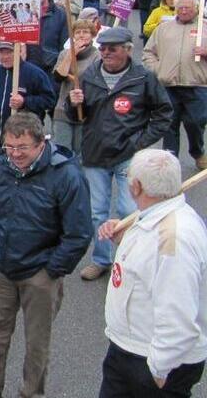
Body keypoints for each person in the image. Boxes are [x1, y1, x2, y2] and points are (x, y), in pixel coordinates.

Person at [0, 113, 93, 398]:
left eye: (23, 148)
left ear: (41, 143)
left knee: (37, 343)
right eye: (9, 147)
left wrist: (52, 270)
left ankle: (31, 393)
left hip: (41, 273)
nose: (15, 154)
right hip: (3, 267)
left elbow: (79, 233)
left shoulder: (66, 175)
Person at [97, 149, 207, 397]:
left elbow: (178, 316)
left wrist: (158, 370)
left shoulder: (174, 238)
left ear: (135, 186)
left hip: (153, 361)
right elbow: (148, 264)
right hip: (128, 349)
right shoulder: (155, 216)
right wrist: (127, 237)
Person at [66, 26, 173, 281]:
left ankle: (128, 259)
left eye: (112, 48)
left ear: (127, 49)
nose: (105, 52)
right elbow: (77, 118)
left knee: (128, 210)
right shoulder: (88, 75)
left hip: (129, 155)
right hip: (94, 154)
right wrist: (74, 104)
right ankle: (101, 260)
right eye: (102, 47)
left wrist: (141, 142)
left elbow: (163, 113)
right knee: (97, 212)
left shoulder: (144, 78)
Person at [0, 42, 57, 237]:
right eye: (2, 52)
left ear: (21, 52)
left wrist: (26, 102)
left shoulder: (34, 74)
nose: (5, 57)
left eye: (9, 52)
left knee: (17, 185)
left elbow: (49, 100)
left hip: (19, 145)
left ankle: (16, 225)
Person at [142, 0, 207, 170]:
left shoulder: (204, 27)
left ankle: (197, 151)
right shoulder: (164, 28)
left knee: (196, 122)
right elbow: (148, 52)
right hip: (168, 85)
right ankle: (170, 162)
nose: (184, 11)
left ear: (196, 9)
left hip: (198, 85)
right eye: (181, 8)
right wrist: (157, 69)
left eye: (188, 7)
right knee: (169, 124)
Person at [51, 19, 99, 156]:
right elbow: (58, 76)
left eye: (86, 32)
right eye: (78, 32)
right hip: (63, 111)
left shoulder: (97, 56)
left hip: (84, 111)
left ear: (92, 35)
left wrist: (71, 77)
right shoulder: (64, 54)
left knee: (80, 154)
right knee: (61, 154)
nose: (81, 35)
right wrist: (71, 55)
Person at [23, 0, 69, 81]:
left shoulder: (60, 14)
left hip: (51, 64)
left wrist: (60, 61)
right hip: (30, 62)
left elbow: (64, 40)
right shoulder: (25, 13)